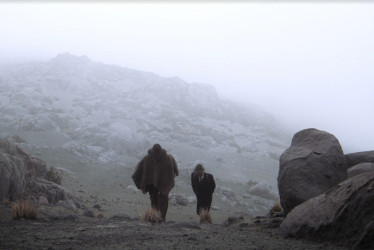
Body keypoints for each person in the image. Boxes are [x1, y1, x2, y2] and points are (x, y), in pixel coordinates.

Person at [132, 144, 178, 221]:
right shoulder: (167, 157)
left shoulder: (149, 158)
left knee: (158, 199)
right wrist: (142, 186)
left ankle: (158, 218)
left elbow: (138, 171)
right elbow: (138, 172)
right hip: (155, 183)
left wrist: (142, 185)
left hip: (158, 182)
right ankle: (159, 218)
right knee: (159, 199)